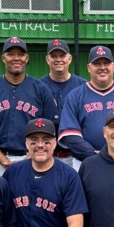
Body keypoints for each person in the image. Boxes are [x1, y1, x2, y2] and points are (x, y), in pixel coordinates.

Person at [0, 36, 57, 176]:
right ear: (3, 58)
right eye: (10, 54)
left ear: (27, 58)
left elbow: (52, 127)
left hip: (34, 158)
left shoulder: (41, 89)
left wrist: (30, 157)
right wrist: (4, 161)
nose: (16, 58)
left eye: (20, 54)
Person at [58, 45, 114, 170]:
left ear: (113, 67)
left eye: (106, 63)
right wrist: (98, 157)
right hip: (86, 162)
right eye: (97, 63)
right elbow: (70, 135)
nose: (102, 67)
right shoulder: (75, 96)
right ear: (89, 68)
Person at [40, 38, 87, 167]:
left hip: (76, 155)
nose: (58, 59)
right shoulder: (38, 86)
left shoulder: (83, 86)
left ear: (69, 59)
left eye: (62, 55)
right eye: (54, 56)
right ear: (47, 59)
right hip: (47, 155)